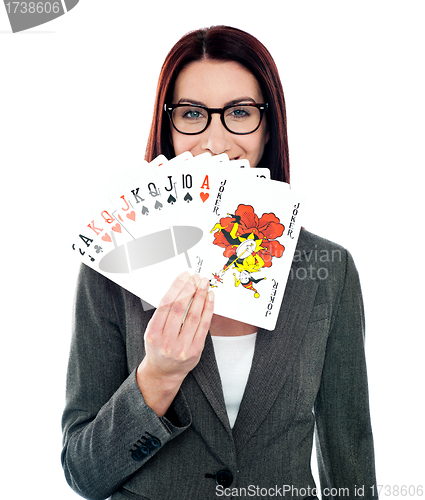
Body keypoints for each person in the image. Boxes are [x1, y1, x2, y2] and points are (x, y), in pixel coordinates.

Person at [62, 26, 378, 500]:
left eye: (239, 113)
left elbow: (349, 462)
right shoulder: (112, 266)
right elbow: (83, 473)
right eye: (191, 114)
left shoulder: (328, 271)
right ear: (166, 126)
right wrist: (159, 376)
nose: (215, 140)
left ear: (269, 125)